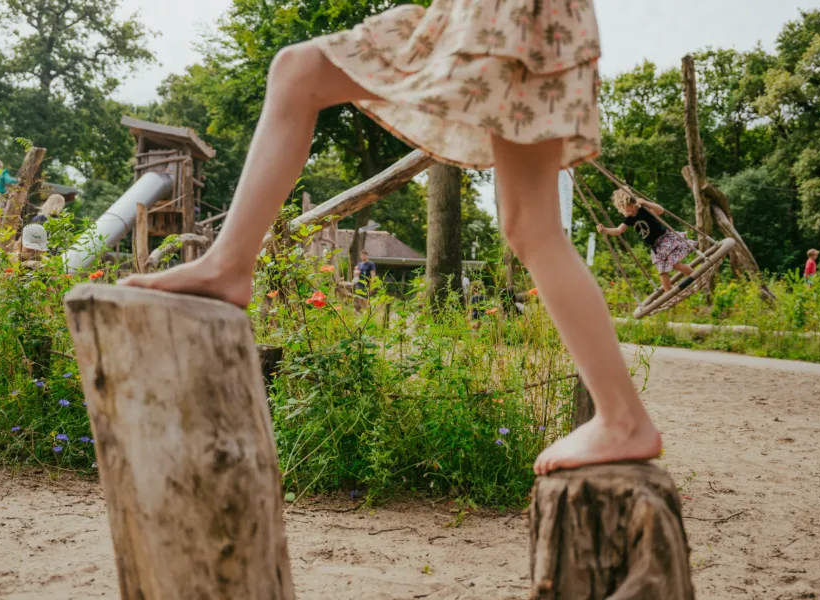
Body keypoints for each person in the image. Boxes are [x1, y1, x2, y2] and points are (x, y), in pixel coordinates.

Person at [119, 1, 662, 475]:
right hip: (517, 20)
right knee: (530, 226)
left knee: (298, 70)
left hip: (508, 18)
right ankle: (621, 416)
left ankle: (230, 264)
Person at [599, 190, 695, 292]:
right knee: (662, 271)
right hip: (656, 247)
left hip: (664, 240)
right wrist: (605, 230)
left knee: (676, 265)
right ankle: (670, 294)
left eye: (623, 208)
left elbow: (660, 210)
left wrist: (645, 202)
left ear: (630, 204)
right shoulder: (629, 218)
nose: (622, 211)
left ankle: (694, 276)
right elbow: (618, 230)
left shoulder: (643, 210)